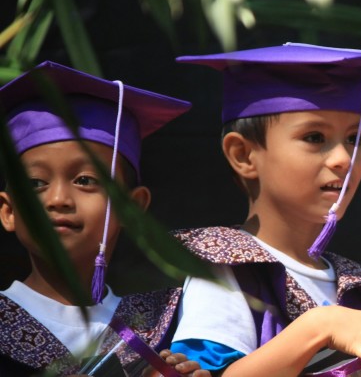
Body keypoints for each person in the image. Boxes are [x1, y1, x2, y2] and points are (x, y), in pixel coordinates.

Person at [169, 43, 361, 376]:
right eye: (314, 137)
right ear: (243, 155)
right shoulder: (228, 271)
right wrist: (318, 327)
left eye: (354, 139)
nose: (344, 158)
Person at [0, 61, 208, 376]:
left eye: (85, 180)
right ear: (9, 211)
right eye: (35, 184)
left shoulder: (169, 324)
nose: (57, 200)